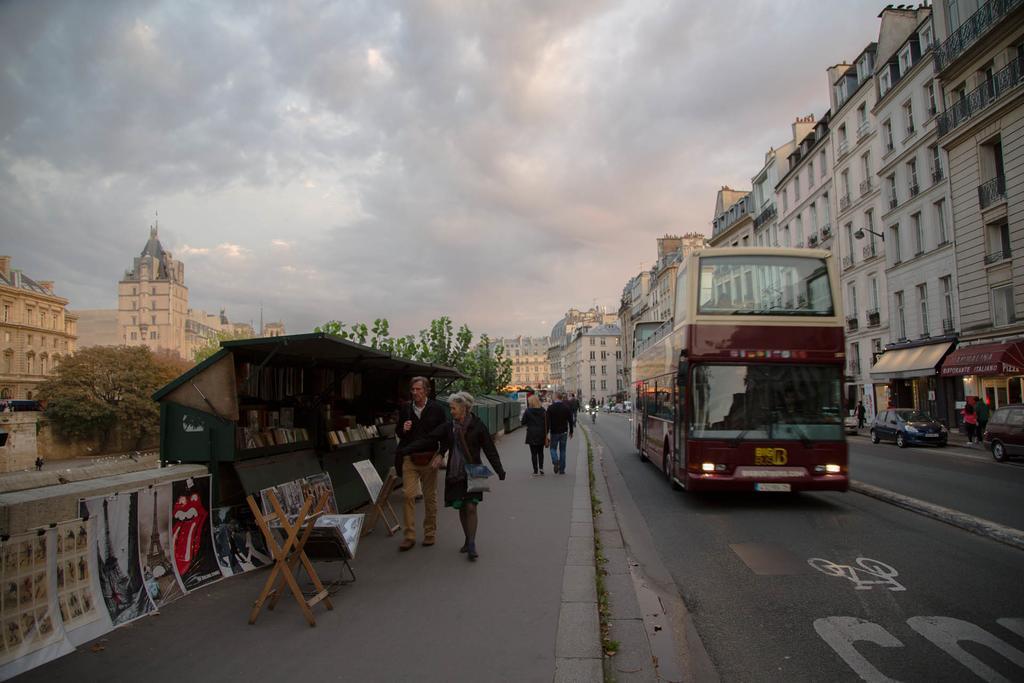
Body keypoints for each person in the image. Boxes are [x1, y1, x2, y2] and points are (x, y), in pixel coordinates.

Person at [432, 392, 505, 561]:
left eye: (453, 408)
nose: (451, 411)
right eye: (450, 408)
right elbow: (440, 440)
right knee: (462, 507)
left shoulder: (478, 425)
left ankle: (471, 543)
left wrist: (499, 470)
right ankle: (467, 537)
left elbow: (489, 449)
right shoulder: (450, 426)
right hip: (455, 472)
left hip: (473, 470)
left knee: (471, 506)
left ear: (464, 407)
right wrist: (439, 453)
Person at [394, 376, 446, 551]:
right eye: (413, 389)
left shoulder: (436, 409)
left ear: (426, 391)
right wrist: (403, 429)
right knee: (408, 495)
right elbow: (398, 432)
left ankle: (429, 533)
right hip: (410, 457)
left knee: (430, 497)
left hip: (429, 458)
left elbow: (446, 434)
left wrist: (441, 454)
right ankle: (409, 536)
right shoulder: (406, 409)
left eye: (418, 389)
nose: (415, 392)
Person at [521, 394, 549, 476]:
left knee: (533, 453)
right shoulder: (543, 410)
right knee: (541, 452)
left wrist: (529, 424)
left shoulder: (528, 411)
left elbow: (523, 422)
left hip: (531, 434)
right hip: (541, 433)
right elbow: (547, 423)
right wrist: (546, 433)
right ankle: (541, 468)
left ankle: (535, 471)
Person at [547, 393, 574, 475]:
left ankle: (555, 461)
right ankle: (562, 470)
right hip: (564, 432)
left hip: (554, 432)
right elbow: (570, 420)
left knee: (552, 448)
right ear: (561, 398)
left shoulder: (550, 408)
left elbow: (547, 421)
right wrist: (571, 431)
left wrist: (546, 432)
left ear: (555, 398)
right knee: (563, 450)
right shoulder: (566, 407)